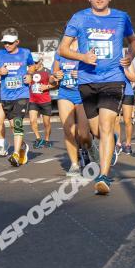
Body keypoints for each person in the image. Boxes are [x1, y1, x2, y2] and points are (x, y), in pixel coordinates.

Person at [58, 0, 135, 196]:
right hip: (87, 80)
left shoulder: (122, 17)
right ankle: (104, 148)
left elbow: (134, 41)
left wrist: (131, 55)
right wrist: (83, 57)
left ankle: (103, 176)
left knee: (105, 127)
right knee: (94, 131)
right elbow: (63, 49)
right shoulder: (79, 18)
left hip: (113, 80)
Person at [0, 29, 36, 167]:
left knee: (18, 123)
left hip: (22, 94)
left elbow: (32, 65)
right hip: (6, 95)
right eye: (4, 43)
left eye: (9, 43)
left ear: (17, 42)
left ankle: (15, 154)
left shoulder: (25, 52)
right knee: (13, 126)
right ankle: (23, 146)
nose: (7, 45)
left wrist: (30, 75)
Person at [52, 44, 92, 175]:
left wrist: (81, 74)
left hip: (83, 94)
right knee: (68, 129)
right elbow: (53, 78)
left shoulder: (86, 49)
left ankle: (87, 149)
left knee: (83, 134)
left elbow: (96, 71)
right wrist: (55, 76)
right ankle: (74, 164)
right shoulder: (60, 51)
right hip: (65, 94)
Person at [26, 55, 53, 149]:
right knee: (32, 120)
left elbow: (55, 83)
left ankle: (47, 140)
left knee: (47, 123)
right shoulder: (30, 71)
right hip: (33, 100)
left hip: (45, 100)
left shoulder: (47, 71)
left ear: (41, 61)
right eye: (32, 63)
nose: (34, 65)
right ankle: (38, 138)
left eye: (36, 63)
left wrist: (47, 87)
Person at [116, 64, 135, 156]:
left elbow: (133, 78)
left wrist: (124, 69)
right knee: (115, 120)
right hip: (114, 92)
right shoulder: (110, 60)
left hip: (127, 93)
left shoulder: (128, 62)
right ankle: (118, 144)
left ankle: (128, 145)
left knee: (127, 120)